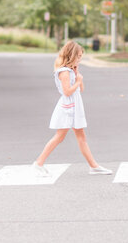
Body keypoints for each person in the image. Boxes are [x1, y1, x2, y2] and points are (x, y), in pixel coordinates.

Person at [33, 41, 112, 176]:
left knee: (81, 137)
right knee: (59, 137)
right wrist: (77, 81)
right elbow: (67, 92)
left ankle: (94, 166)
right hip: (67, 108)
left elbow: (81, 89)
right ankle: (38, 163)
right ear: (72, 55)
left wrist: (78, 76)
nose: (80, 59)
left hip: (75, 106)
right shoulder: (64, 72)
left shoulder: (71, 71)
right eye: (79, 56)